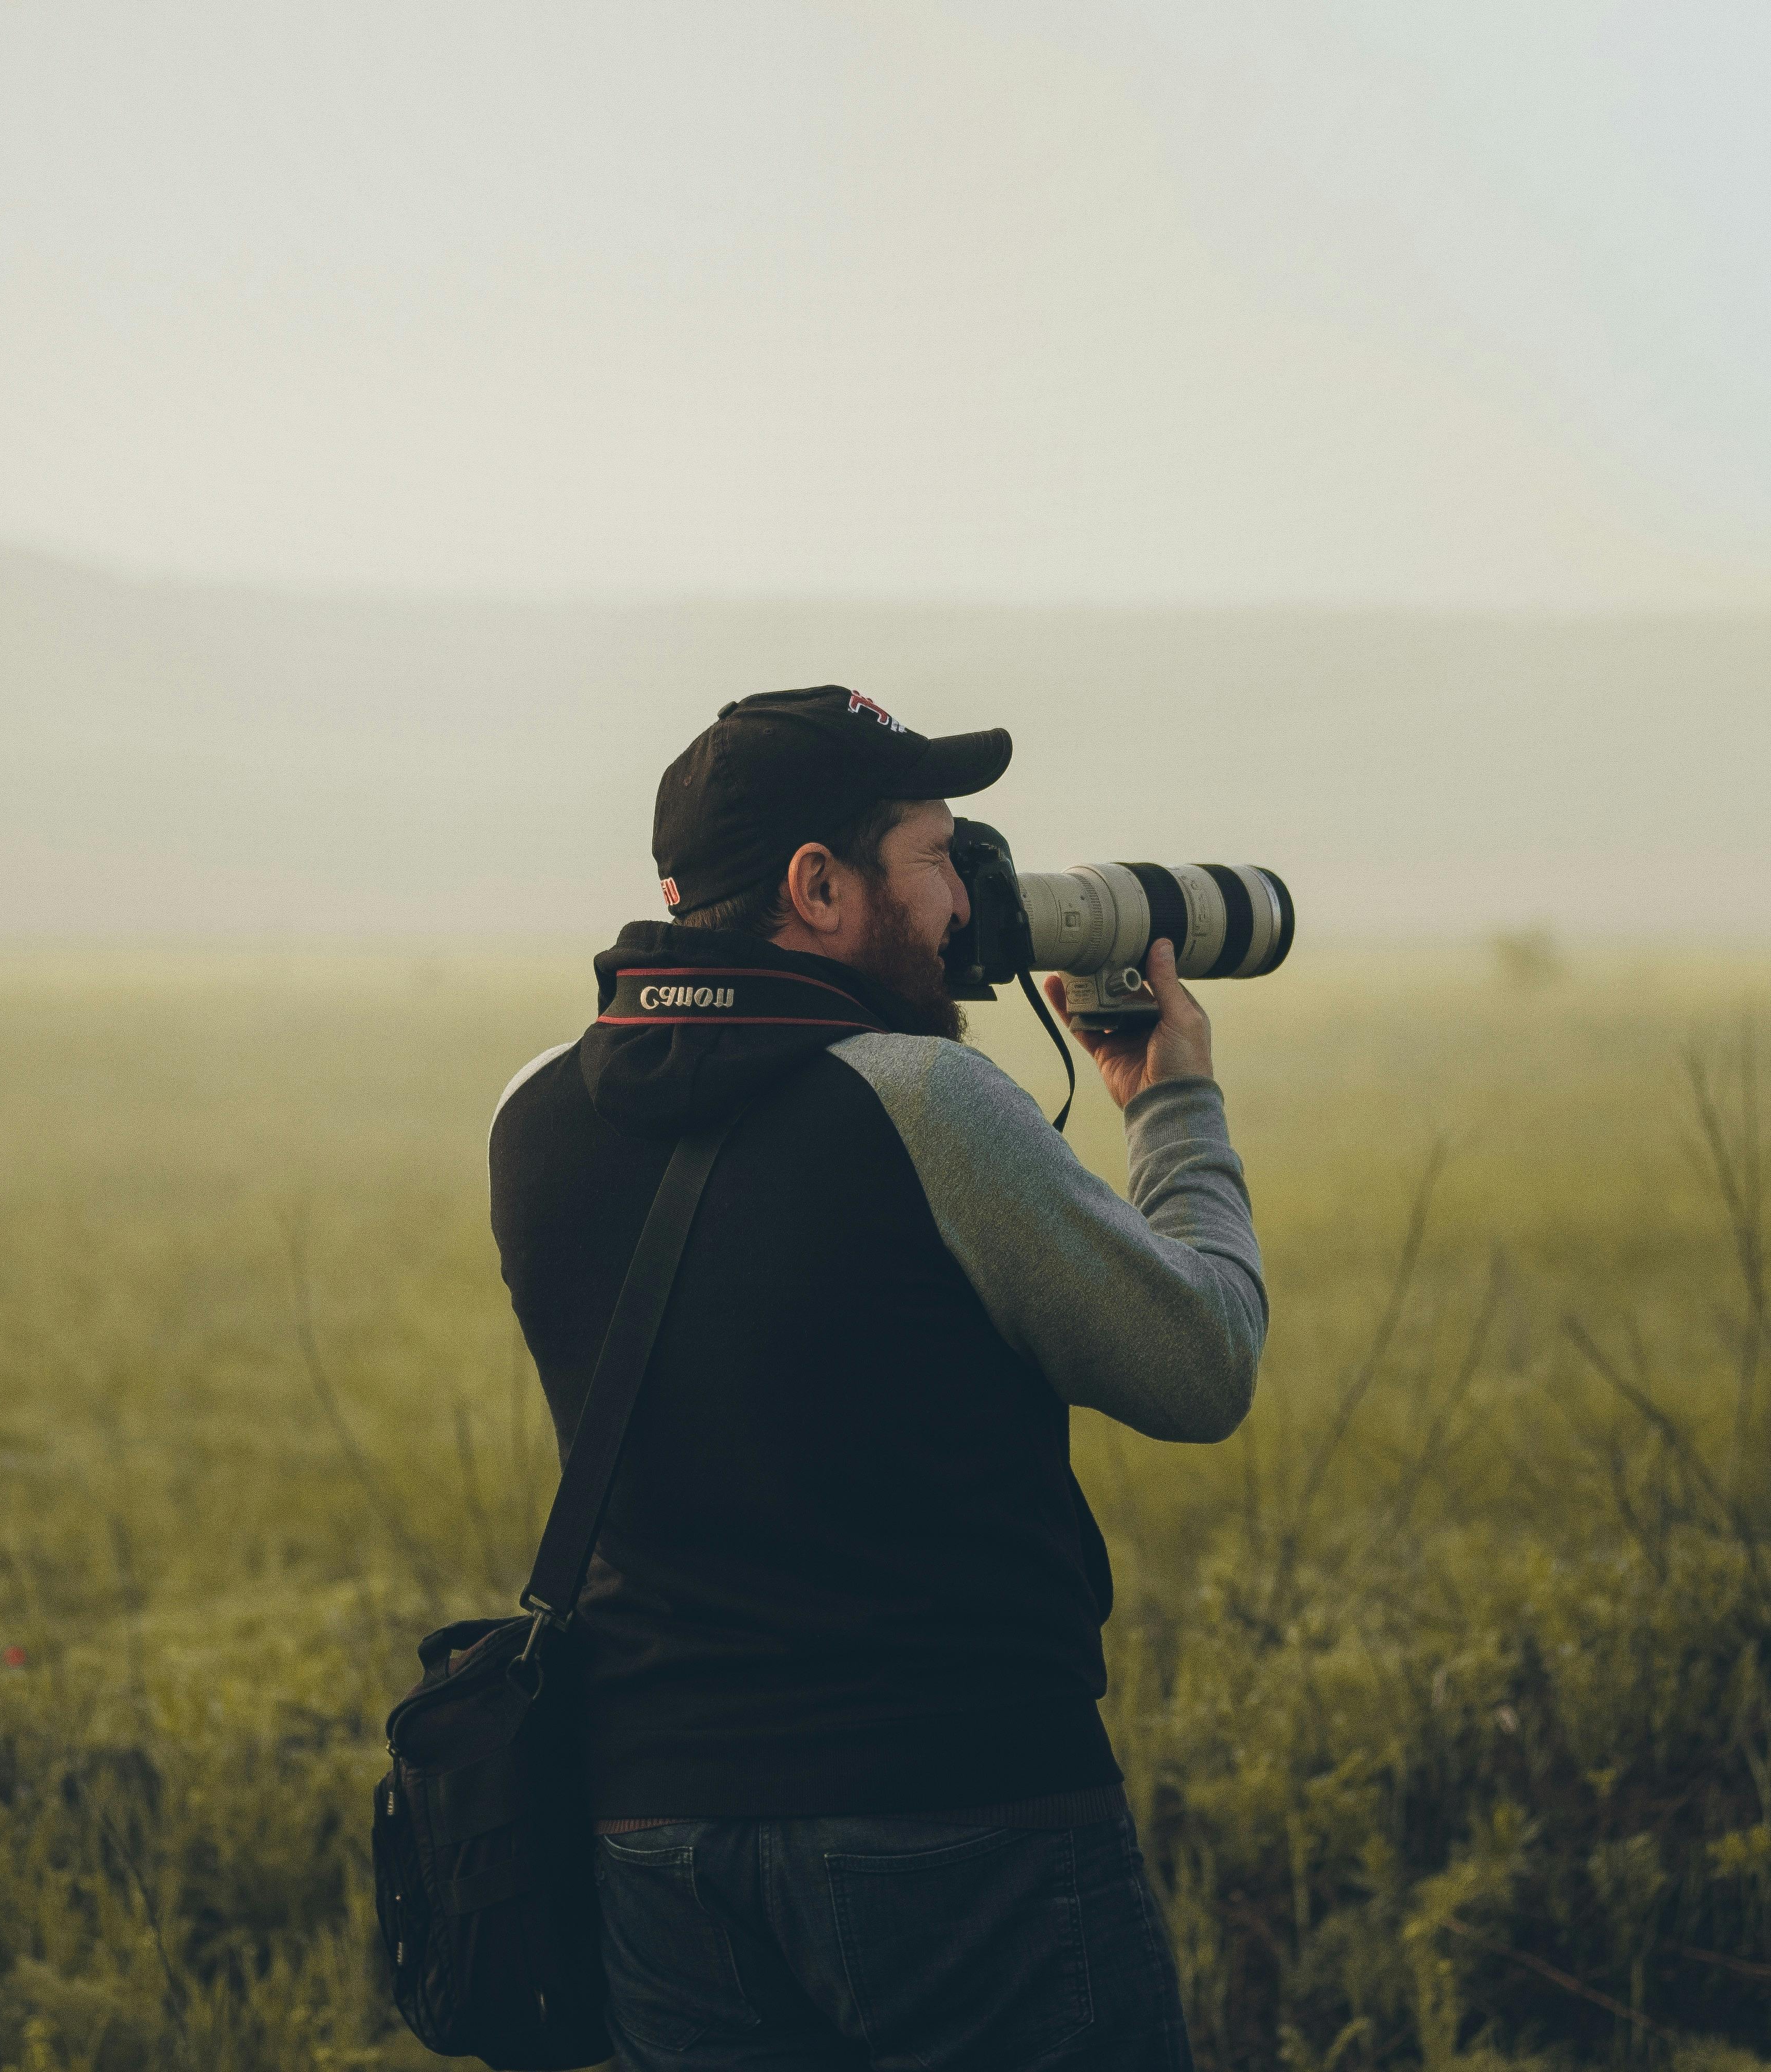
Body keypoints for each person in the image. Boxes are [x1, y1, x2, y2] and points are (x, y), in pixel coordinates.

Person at [486, 685, 1266, 2071]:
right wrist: (1175, 1105)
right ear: (819, 886)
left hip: (655, 1839)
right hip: (958, 1820)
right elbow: (1200, 1365)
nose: (972, 902)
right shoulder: (923, 1100)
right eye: (937, 858)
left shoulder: (535, 1109)